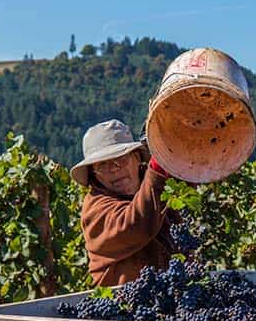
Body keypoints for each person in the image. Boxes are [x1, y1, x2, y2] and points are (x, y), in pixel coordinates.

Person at [72, 119, 179, 286]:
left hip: (174, 298)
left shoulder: (161, 188)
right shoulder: (96, 209)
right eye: (102, 165)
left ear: (137, 158)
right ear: (94, 174)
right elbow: (136, 224)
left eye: (121, 159)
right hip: (124, 306)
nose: (114, 169)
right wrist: (159, 165)